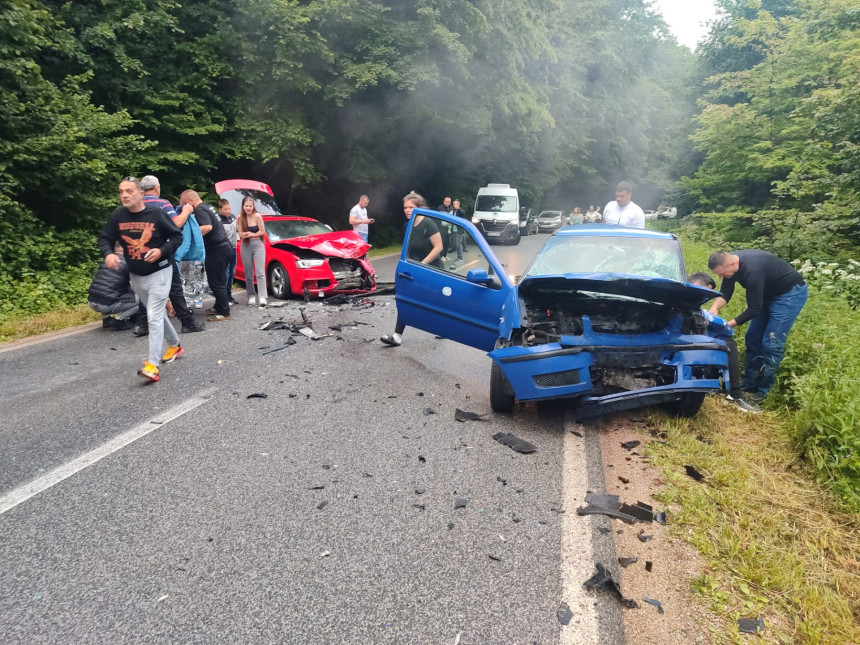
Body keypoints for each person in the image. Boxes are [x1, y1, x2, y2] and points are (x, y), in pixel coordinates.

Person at [98, 177, 185, 381]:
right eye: (121, 191)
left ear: (141, 194)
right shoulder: (118, 215)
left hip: (160, 271)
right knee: (157, 314)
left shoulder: (156, 214)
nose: (124, 195)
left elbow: (176, 236)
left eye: (129, 191)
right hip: (136, 274)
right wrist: (108, 253)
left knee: (153, 315)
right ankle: (175, 345)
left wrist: (161, 250)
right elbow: (105, 238)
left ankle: (152, 366)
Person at [708, 250, 808, 400]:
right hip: (766, 294)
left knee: (771, 343)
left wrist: (727, 325)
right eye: (718, 274)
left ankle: (762, 392)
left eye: (722, 273)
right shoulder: (730, 266)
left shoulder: (752, 271)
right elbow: (726, 292)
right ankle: (749, 383)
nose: (721, 277)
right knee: (752, 338)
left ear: (732, 264)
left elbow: (754, 309)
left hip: (789, 294)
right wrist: (714, 308)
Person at [139, 175, 205, 334]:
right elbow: (176, 223)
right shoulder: (162, 204)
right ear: (157, 187)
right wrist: (187, 210)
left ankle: (142, 325)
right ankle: (187, 323)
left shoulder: (138, 205)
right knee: (175, 289)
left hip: (141, 253)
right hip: (162, 252)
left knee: (146, 288)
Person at [687, 272, 761, 413]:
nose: (704, 298)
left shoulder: (691, 306)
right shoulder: (683, 302)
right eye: (705, 292)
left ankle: (715, 386)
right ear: (696, 286)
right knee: (728, 343)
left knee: (721, 341)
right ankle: (735, 394)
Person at [380, 191, 443, 347]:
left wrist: (423, 263)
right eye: (405, 208)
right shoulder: (406, 225)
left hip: (433, 269)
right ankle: (396, 336)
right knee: (406, 300)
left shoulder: (428, 223)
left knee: (436, 302)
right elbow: (408, 249)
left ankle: (443, 328)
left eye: (410, 207)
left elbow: (438, 247)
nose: (407, 210)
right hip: (416, 269)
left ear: (419, 207)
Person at [179, 190, 234, 322]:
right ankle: (219, 306)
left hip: (218, 249)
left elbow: (207, 227)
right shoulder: (207, 206)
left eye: (186, 204)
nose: (185, 207)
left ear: (191, 201)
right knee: (216, 280)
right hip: (222, 248)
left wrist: (192, 237)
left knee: (216, 282)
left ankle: (224, 312)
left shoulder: (200, 210)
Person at [87, 253, 140, 331]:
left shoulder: (107, 260)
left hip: (91, 302)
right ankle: (118, 320)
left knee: (104, 291)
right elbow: (135, 284)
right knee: (141, 300)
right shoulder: (127, 263)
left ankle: (106, 319)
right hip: (106, 305)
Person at [237, 195, 268, 306]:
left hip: (258, 244)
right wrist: (244, 234)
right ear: (243, 206)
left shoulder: (257, 216)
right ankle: (251, 295)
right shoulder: (240, 217)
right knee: (248, 272)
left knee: (260, 272)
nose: (248, 208)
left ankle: (262, 296)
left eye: (250, 206)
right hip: (245, 245)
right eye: (246, 206)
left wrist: (253, 234)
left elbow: (262, 231)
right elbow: (240, 233)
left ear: (253, 206)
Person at [218, 198, 239, 305]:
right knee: (225, 274)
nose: (228, 211)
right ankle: (223, 298)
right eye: (225, 209)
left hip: (234, 249)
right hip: (224, 251)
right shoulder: (218, 220)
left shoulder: (233, 217)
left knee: (232, 274)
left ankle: (229, 295)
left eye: (229, 208)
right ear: (220, 209)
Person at [436, 196, 453, 261]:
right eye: (446, 202)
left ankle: (445, 255)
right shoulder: (440, 208)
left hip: (449, 227)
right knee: (442, 242)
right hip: (441, 227)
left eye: (449, 202)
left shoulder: (451, 208)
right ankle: (441, 256)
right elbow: (436, 217)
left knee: (447, 242)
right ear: (443, 201)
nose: (447, 203)